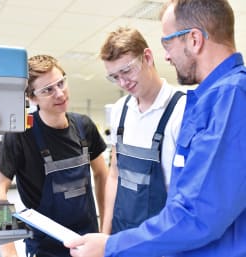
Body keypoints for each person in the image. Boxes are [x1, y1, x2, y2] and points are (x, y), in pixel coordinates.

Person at [64, 0, 246, 256]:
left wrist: (110, 246)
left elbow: (197, 215)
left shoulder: (231, 98)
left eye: (167, 43)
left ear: (194, 39)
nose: (167, 56)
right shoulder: (211, 99)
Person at [0, 54, 109, 257]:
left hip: (88, 244)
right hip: (45, 249)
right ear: (32, 97)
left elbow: (103, 175)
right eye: (48, 90)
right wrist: (9, 253)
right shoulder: (20, 135)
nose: (60, 94)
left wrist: (106, 232)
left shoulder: (84, 126)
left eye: (61, 83)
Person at [99, 27, 185, 235]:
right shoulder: (120, 109)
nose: (122, 82)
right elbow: (114, 174)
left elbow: (185, 192)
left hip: (161, 238)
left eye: (127, 70)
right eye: (114, 77)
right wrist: (105, 235)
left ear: (147, 57)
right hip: (122, 234)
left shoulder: (181, 110)